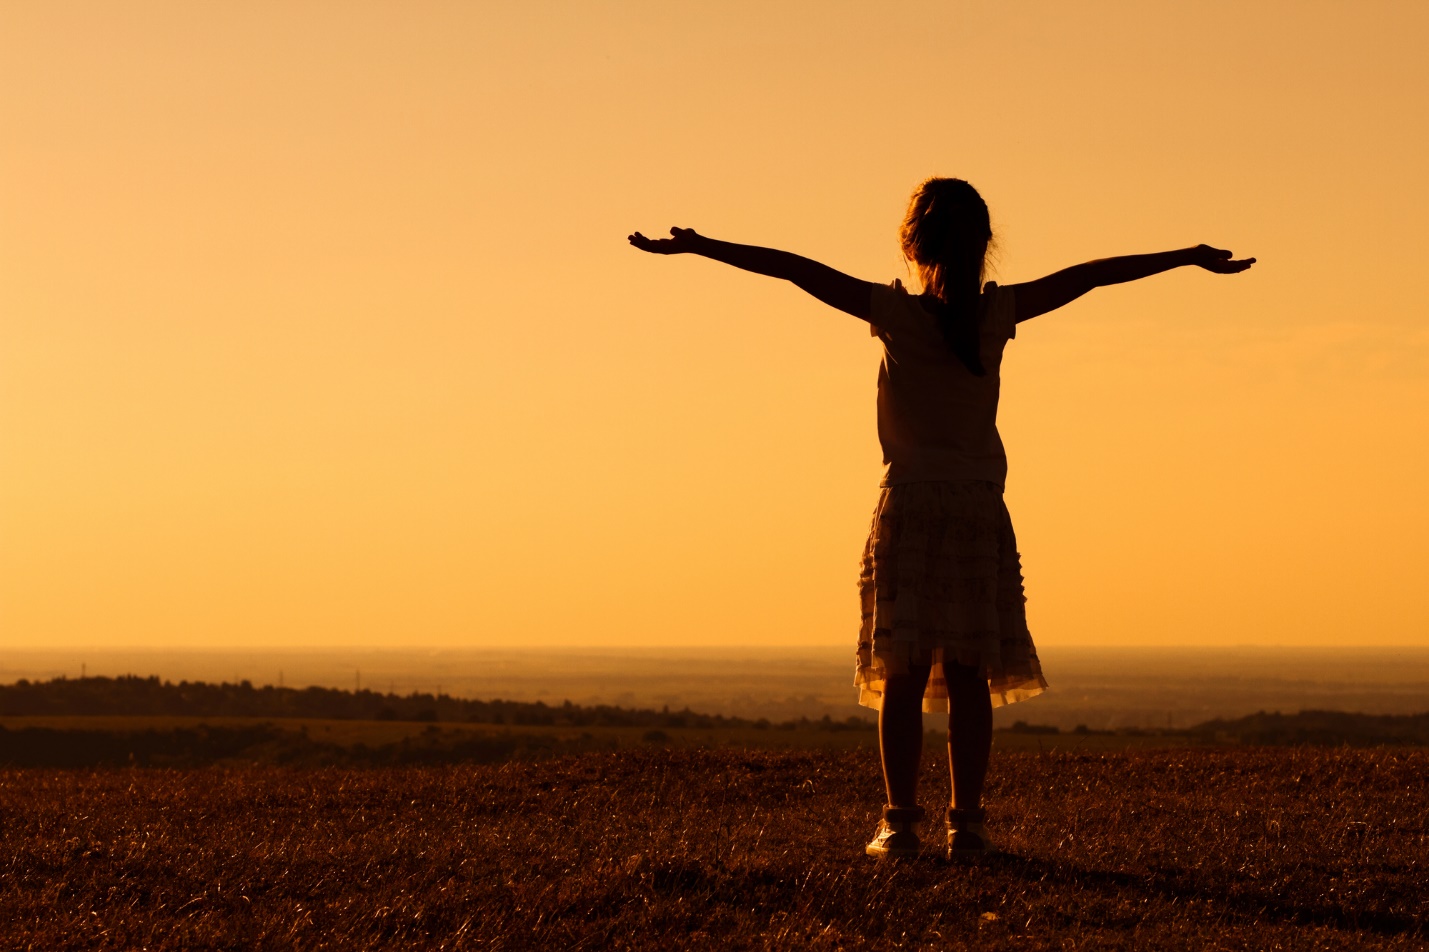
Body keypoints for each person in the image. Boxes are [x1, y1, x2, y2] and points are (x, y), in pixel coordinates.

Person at [628, 177, 1254, 861]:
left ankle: (898, 823)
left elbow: (792, 269)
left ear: (910, 243)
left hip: (913, 503)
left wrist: (701, 247)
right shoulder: (996, 315)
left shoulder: (897, 316)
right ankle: (968, 824)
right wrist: (1186, 255)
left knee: (901, 673)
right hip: (978, 508)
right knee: (967, 674)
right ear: (983, 244)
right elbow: (1093, 277)